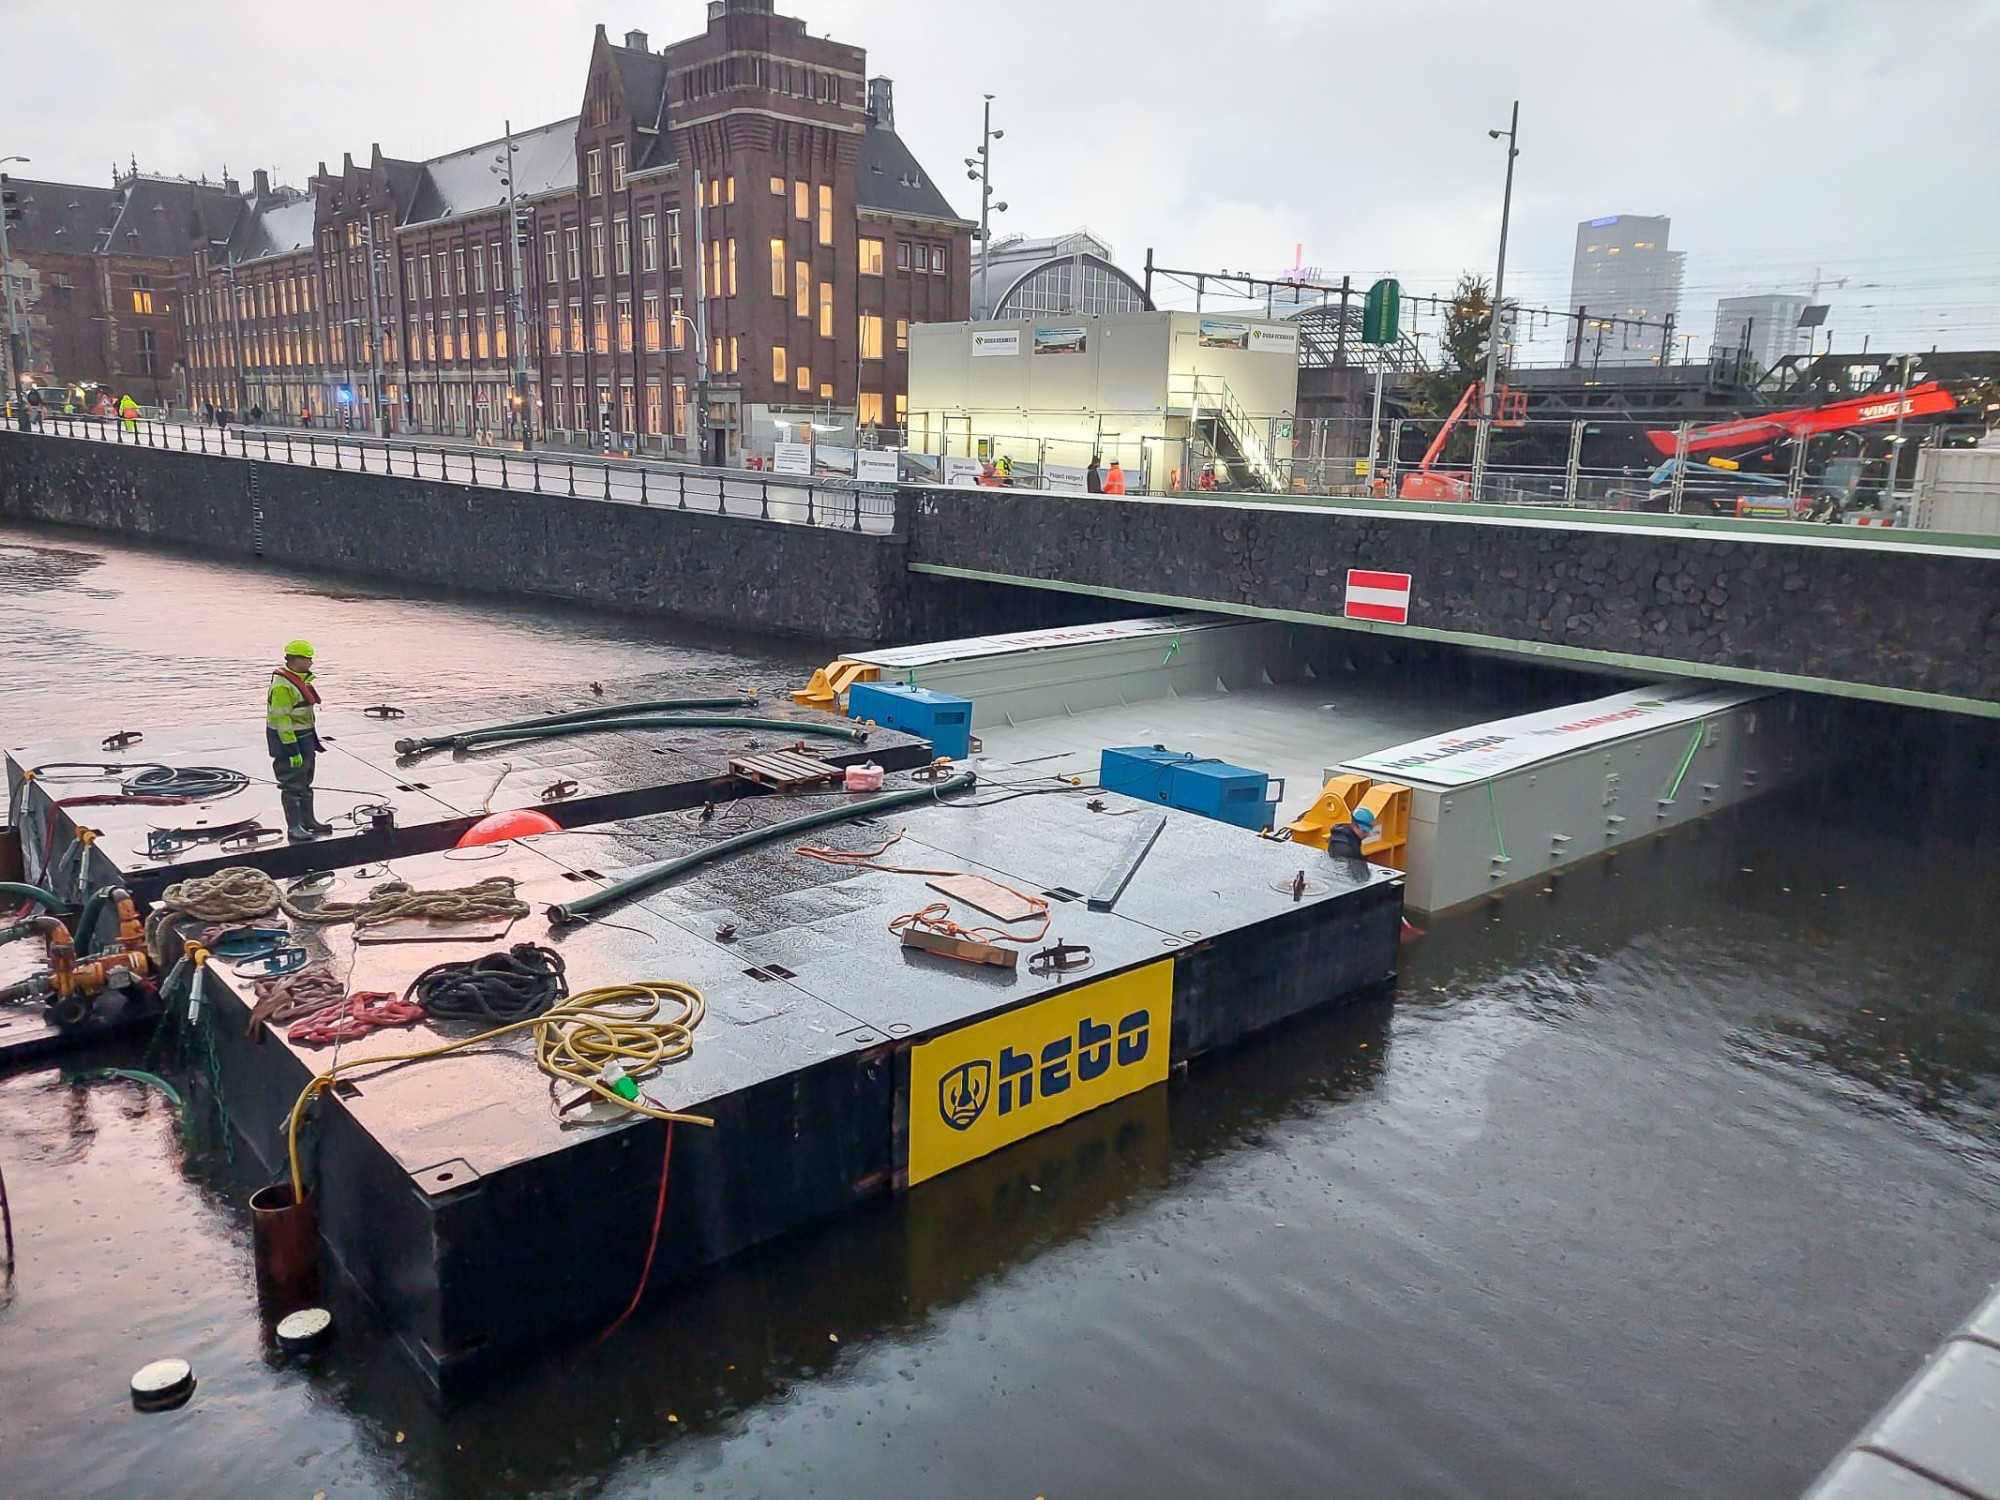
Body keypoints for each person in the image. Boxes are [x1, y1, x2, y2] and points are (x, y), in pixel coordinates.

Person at [267, 640, 332, 841]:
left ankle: (308, 820)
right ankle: (294, 827)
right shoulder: (282, 686)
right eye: (308, 658)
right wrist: (292, 750)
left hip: (305, 737)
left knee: (305, 780)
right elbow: (282, 720)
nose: (311, 662)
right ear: (296, 659)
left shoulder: (299, 680)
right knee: (292, 783)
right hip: (289, 741)